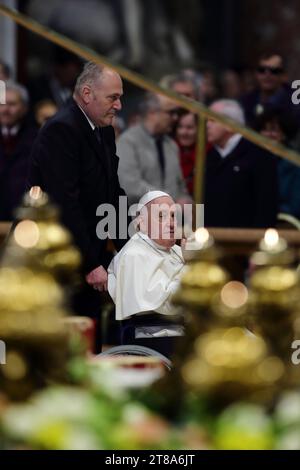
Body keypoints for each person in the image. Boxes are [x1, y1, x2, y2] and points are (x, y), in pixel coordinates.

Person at [28, 62, 128, 319]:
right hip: (61, 262)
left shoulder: (103, 130)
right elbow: (64, 204)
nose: (118, 106)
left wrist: (129, 249)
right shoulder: (61, 129)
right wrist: (91, 263)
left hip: (88, 255)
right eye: (113, 98)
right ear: (87, 94)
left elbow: (112, 194)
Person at [108, 190, 185, 356]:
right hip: (155, 335)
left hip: (176, 329)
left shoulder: (178, 250)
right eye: (161, 216)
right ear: (142, 223)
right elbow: (166, 305)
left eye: (173, 216)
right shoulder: (134, 254)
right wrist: (191, 268)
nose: (171, 223)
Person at [205, 99, 278, 228]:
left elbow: (266, 205)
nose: (207, 125)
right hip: (209, 240)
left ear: (230, 124)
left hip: (246, 240)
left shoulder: (259, 155)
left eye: (212, 120)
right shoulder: (208, 157)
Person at [117, 92, 189, 206]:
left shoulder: (171, 144)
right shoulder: (128, 141)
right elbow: (130, 186)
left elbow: (179, 185)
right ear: (152, 112)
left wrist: (184, 199)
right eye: (171, 112)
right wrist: (167, 198)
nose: (175, 118)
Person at [0, 82, 38, 220]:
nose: (5, 110)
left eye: (12, 104)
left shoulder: (37, 138)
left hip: (25, 216)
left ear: (24, 108)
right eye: (2, 104)